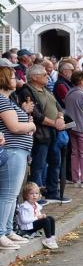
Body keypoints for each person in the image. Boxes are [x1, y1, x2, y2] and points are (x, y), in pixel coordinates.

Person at [20, 65, 70, 202]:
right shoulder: (26, 91)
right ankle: (35, 196)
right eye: (44, 74)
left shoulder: (46, 88)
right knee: (38, 165)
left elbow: (58, 106)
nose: (47, 76)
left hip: (53, 132)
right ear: (34, 77)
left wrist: (60, 118)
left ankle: (52, 191)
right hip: (40, 134)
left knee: (55, 162)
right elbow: (36, 115)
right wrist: (55, 123)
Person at [0, 65, 36, 249]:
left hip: (18, 150)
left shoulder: (9, 100)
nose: (16, 80)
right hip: (12, 150)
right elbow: (14, 127)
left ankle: (7, 230)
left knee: (12, 195)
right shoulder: (2, 101)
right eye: (13, 77)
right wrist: (31, 126)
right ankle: (1, 233)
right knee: (8, 194)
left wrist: (27, 125)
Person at [16, 182, 57, 249]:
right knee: (45, 220)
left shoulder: (36, 204)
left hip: (33, 224)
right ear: (26, 196)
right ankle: (48, 239)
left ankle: (52, 237)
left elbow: (38, 214)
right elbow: (24, 220)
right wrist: (37, 218)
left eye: (36, 193)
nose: (34, 195)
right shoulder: (24, 207)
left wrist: (41, 216)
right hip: (27, 227)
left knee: (50, 218)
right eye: (31, 194)